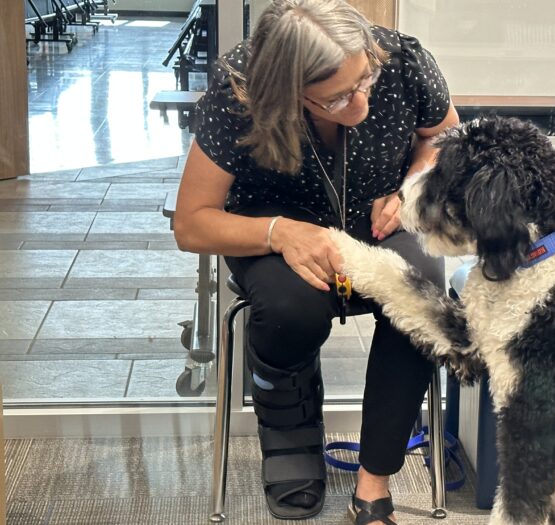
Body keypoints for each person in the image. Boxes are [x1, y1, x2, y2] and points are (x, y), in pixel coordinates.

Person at [174, 0, 459, 522]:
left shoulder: (403, 60)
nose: (362, 104)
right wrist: (277, 232)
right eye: (337, 99)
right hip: (273, 224)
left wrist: (413, 185)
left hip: (378, 219)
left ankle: (375, 479)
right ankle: (291, 433)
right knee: (291, 307)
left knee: (418, 290)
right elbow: (191, 223)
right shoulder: (237, 89)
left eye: (365, 80)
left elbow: (442, 136)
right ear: (288, 95)